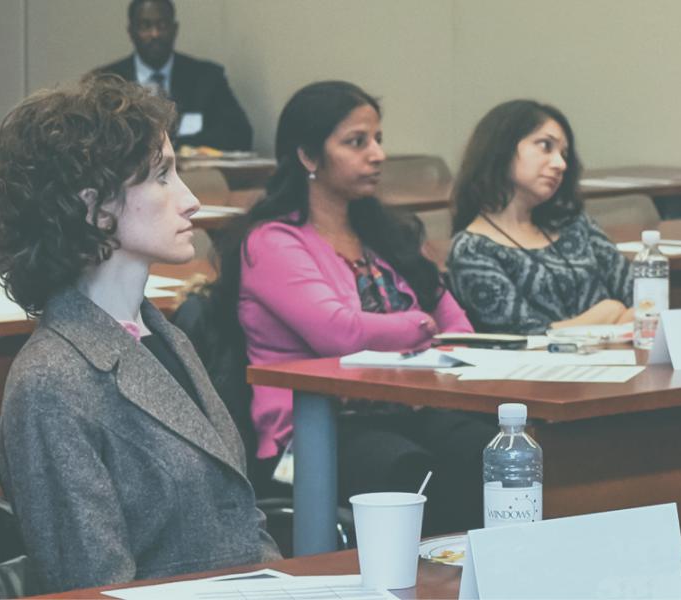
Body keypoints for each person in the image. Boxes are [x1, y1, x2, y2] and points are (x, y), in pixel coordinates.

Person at [0, 75, 278, 592]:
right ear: (94, 207)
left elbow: (241, 517)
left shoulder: (165, 334)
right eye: (162, 176)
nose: (190, 201)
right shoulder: (51, 384)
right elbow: (90, 584)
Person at [209, 81, 490, 533]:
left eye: (378, 140)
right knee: (414, 476)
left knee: (492, 456)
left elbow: (458, 330)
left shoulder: (385, 236)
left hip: (404, 409)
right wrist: (418, 324)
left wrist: (418, 328)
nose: (377, 154)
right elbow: (338, 332)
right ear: (308, 156)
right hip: (309, 434)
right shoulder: (272, 242)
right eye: (356, 142)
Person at [446, 99, 633, 334]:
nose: (560, 164)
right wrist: (605, 315)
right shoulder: (472, 250)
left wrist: (623, 318)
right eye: (545, 146)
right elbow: (524, 337)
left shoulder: (574, 224)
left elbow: (640, 296)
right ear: (502, 147)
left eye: (564, 154)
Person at [94, 0, 252, 151]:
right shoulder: (108, 81)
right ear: (131, 32)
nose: (154, 34)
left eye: (162, 25)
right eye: (145, 26)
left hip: (193, 177)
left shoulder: (207, 77)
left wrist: (175, 144)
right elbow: (97, 140)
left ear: (175, 29)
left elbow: (240, 135)